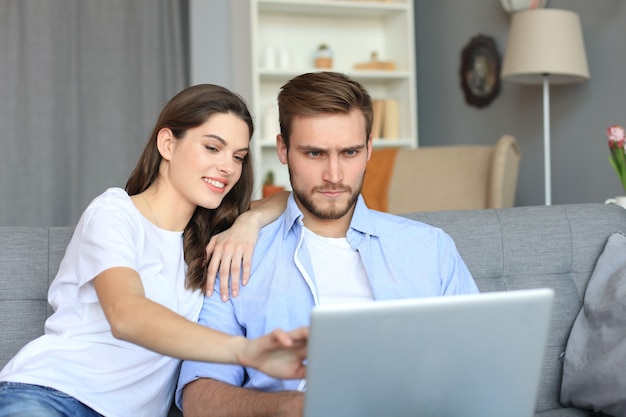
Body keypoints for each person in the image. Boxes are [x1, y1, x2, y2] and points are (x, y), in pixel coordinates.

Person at [177, 72, 479, 417]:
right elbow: (198, 396)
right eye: (315, 153)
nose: (334, 175)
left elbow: (480, 365)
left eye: (349, 152)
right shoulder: (238, 255)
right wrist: (290, 408)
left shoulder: (429, 249)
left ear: (368, 149)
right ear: (283, 150)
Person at [0, 84, 306, 417]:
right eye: (212, 147)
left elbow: (294, 197)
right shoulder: (114, 213)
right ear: (167, 144)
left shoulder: (210, 232)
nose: (228, 168)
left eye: (238, 157)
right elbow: (127, 314)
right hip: (53, 396)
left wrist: (250, 222)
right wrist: (245, 351)